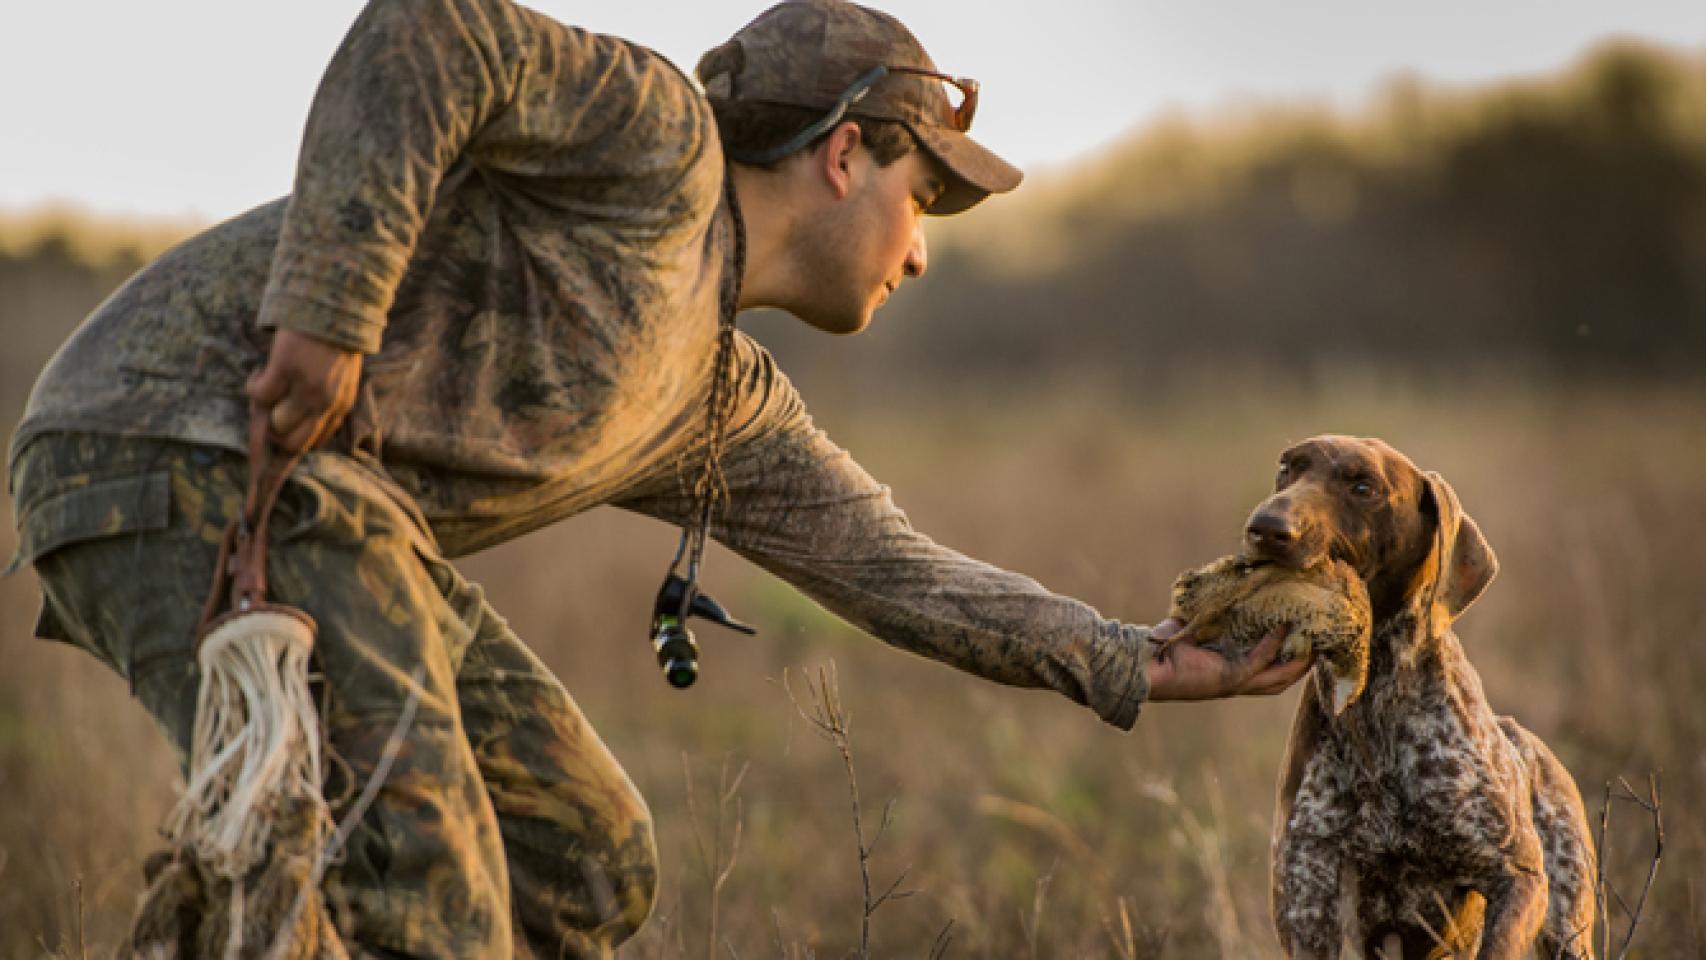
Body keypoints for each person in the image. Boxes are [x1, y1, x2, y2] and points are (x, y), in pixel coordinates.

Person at [6, 0, 1308, 955]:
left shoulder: (715, 403)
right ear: (844, 152)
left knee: (584, 856)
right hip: (172, 445)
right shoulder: (654, 146)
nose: (921, 255)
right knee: (427, 883)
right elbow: (425, 30)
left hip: (319, 512)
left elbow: (895, 571)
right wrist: (332, 311)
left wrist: (1129, 658)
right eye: (927, 198)